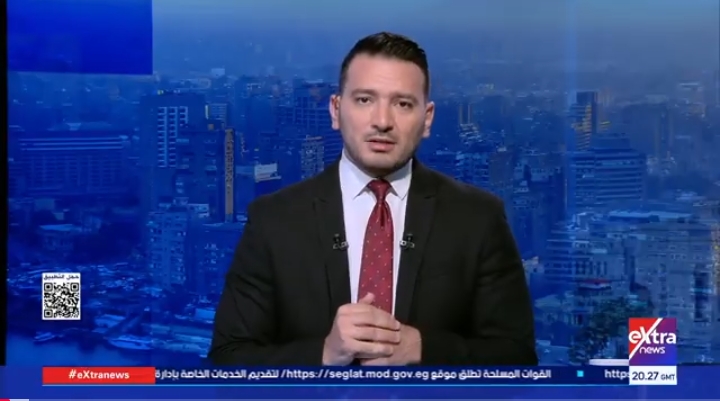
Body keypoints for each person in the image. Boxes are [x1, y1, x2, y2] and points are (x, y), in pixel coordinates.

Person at [210, 32, 537, 366]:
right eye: (365, 100)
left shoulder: (478, 219)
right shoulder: (274, 221)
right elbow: (227, 359)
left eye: (403, 104)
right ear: (336, 110)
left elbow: (517, 357)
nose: (382, 121)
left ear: (427, 119)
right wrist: (324, 355)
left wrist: (423, 350)